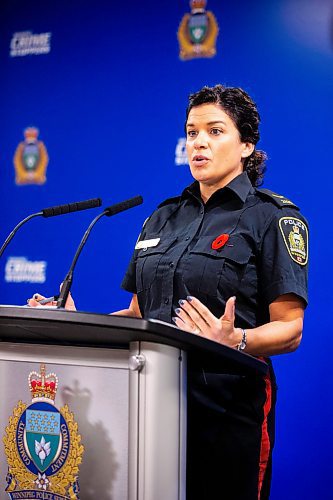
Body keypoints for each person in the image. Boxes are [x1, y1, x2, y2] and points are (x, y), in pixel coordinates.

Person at [30, 84, 308, 500]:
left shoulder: (273, 218)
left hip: (226, 408)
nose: (199, 143)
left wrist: (238, 339)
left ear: (247, 144)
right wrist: (73, 317)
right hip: (147, 402)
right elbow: (139, 315)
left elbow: (291, 328)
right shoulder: (161, 218)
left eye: (215, 131)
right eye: (192, 132)